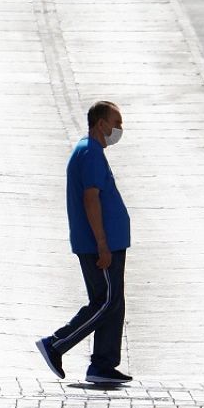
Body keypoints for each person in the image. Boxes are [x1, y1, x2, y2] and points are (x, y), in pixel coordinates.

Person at [35, 101, 133, 385]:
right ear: (101, 123)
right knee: (106, 302)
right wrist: (102, 243)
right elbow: (91, 199)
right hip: (100, 244)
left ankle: (102, 365)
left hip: (109, 242)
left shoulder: (92, 152)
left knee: (112, 302)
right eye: (116, 122)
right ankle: (56, 343)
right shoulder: (89, 152)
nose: (119, 129)